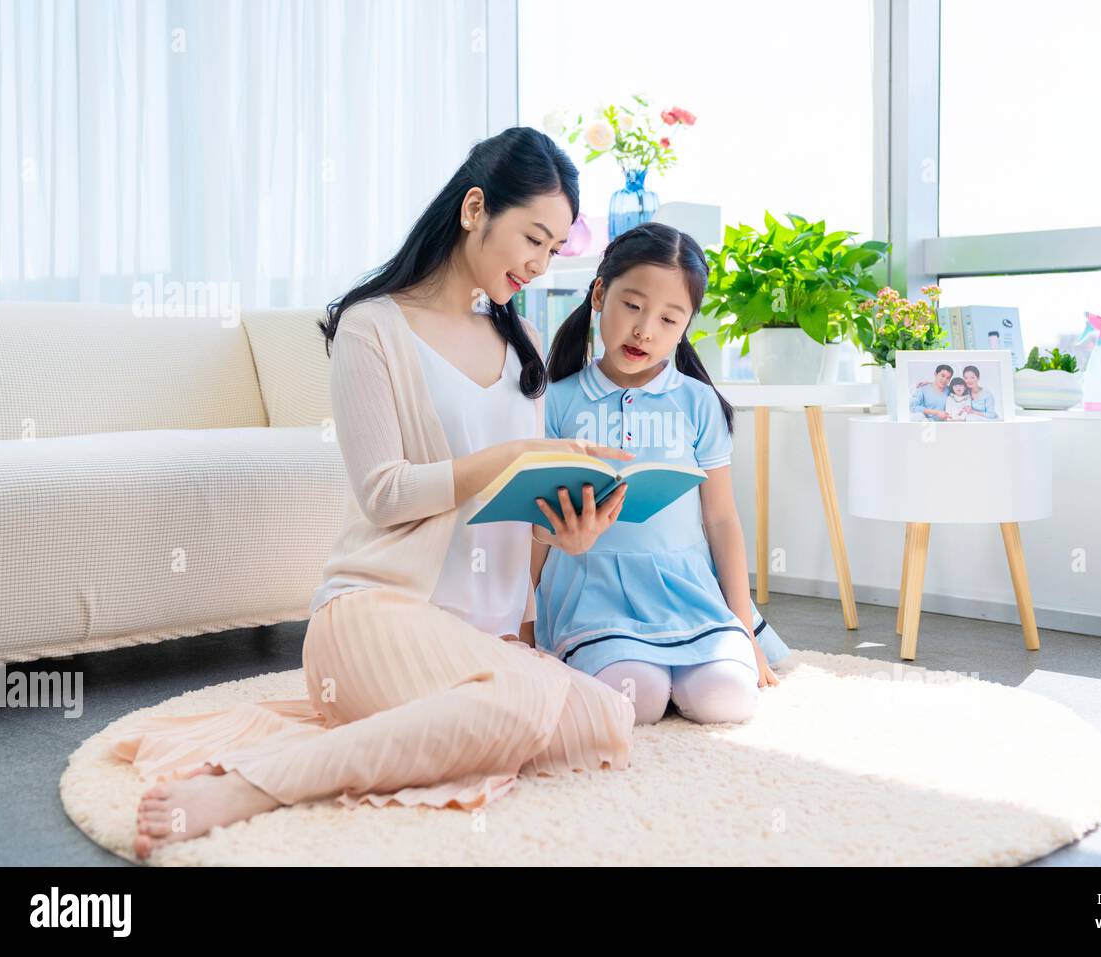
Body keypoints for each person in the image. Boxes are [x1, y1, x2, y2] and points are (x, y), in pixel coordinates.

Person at [110, 127, 639, 860]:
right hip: (376, 614)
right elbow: (386, 492)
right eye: (533, 238)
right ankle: (251, 784)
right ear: (476, 207)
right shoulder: (371, 326)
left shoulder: (522, 345)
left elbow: (516, 526)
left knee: (609, 717)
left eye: (555, 250)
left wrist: (566, 535)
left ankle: (417, 725)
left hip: (483, 641)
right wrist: (507, 454)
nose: (541, 263)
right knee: (520, 704)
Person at [527, 222, 791, 727]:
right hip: (593, 590)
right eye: (632, 306)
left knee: (727, 701)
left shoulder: (698, 402)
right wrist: (525, 622)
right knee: (638, 699)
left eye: (669, 319)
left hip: (685, 590)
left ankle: (688, 663)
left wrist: (745, 629)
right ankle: (645, 668)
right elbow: (537, 523)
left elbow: (721, 520)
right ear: (600, 292)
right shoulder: (555, 401)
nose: (646, 330)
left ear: (687, 325)